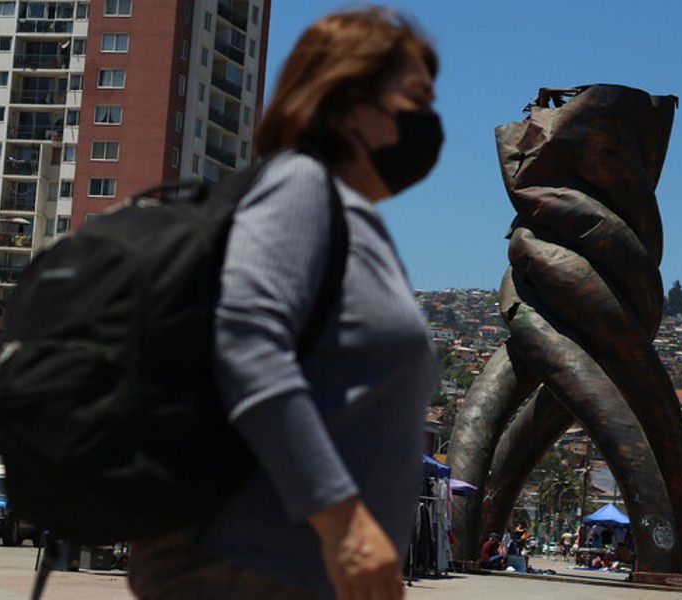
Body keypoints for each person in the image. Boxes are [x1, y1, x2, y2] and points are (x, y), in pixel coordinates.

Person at [127, 7, 443, 600]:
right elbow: (245, 340)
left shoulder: (353, 222)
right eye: (416, 98)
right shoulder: (300, 186)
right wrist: (343, 522)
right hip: (241, 567)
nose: (431, 121)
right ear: (349, 104)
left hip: (295, 574)